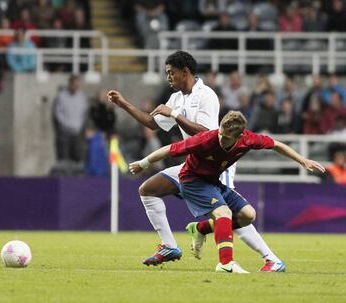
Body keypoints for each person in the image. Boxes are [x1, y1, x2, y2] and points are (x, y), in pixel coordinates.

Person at [108, 51, 285, 271]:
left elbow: (207, 134)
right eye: (166, 73)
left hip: (218, 163)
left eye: (171, 73)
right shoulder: (177, 98)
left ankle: (271, 259)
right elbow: (153, 124)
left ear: (186, 71)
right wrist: (124, 104)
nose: (168, 77)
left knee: (231, 213)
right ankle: (170, 246)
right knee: (148, 190)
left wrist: (175, 115)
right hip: (193, 164)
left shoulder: (206, 95)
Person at [129, 111, 325, 273]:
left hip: (213, 182)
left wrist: (303, 161)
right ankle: (226, 263)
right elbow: (169, 149)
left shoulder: (248, 139)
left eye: (225, 137)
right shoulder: (206, 139)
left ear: (240, 137)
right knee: (224, 213)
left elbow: (276, 145)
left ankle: (201, 228)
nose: (220, 138)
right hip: (192, 181)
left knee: (248, 216)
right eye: (220, 133)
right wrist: (143, 163)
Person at [53, 74, 88, 163]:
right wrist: (65, 125)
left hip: (77, 132)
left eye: (78, 85)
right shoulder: (61, 96)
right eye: (74, 84)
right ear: (70, 84)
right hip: (65, 133)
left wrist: (79, 126)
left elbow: (83, 113)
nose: (76, 86)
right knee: (64, 158)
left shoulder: (81, 97)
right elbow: (58, 113)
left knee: (77, 158)